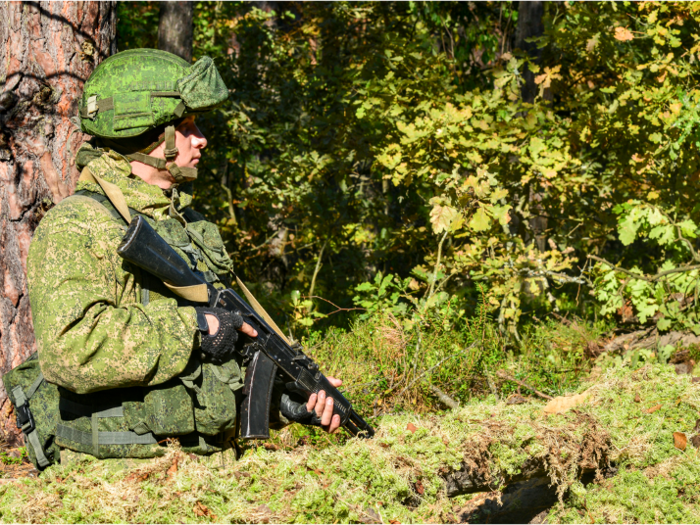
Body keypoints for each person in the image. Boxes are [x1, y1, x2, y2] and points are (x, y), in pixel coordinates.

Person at [26, 49, 340, 463]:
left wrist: (285, 403)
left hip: (204, 475)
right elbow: (70, 351)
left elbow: (218, 364)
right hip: (122, 483)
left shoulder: (187, 224)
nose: (201, 139)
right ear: (148, 134)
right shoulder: (78, 226)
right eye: (187, 128)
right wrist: (194, 326)